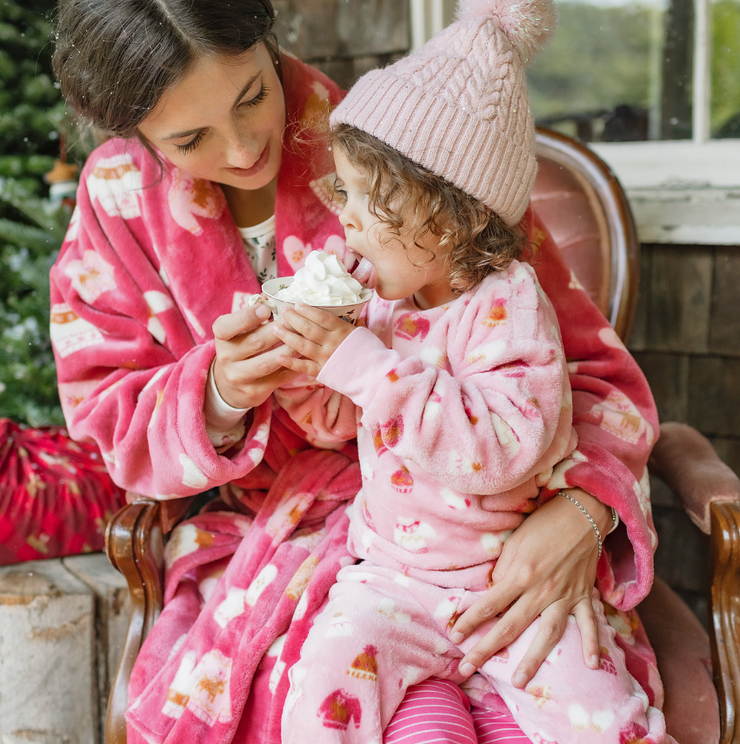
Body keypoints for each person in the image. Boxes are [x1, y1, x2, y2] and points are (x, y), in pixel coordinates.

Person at [48, 0, 662, 742]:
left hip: (485, 525)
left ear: (268, 43)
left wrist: (583, 513)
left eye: (252, 97)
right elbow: (107, 418)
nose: (244, 149)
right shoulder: (118, 202)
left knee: (558, 686)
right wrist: (219, 393)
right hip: (268, 536)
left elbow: (592, 376)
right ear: (135, 134)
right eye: (190, 138)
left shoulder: (404, 142)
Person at [272, 5, 672, 742]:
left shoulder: (512, 307)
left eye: (369, 199)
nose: (345, 222)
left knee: (605, 720)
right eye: (345, 194)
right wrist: (297, 352)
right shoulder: (383, 296)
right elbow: (338, 417)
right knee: (318, 692)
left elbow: (501, 449)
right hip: (390, 580)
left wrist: (362, 367)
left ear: (450, 219)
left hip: (509, 586)